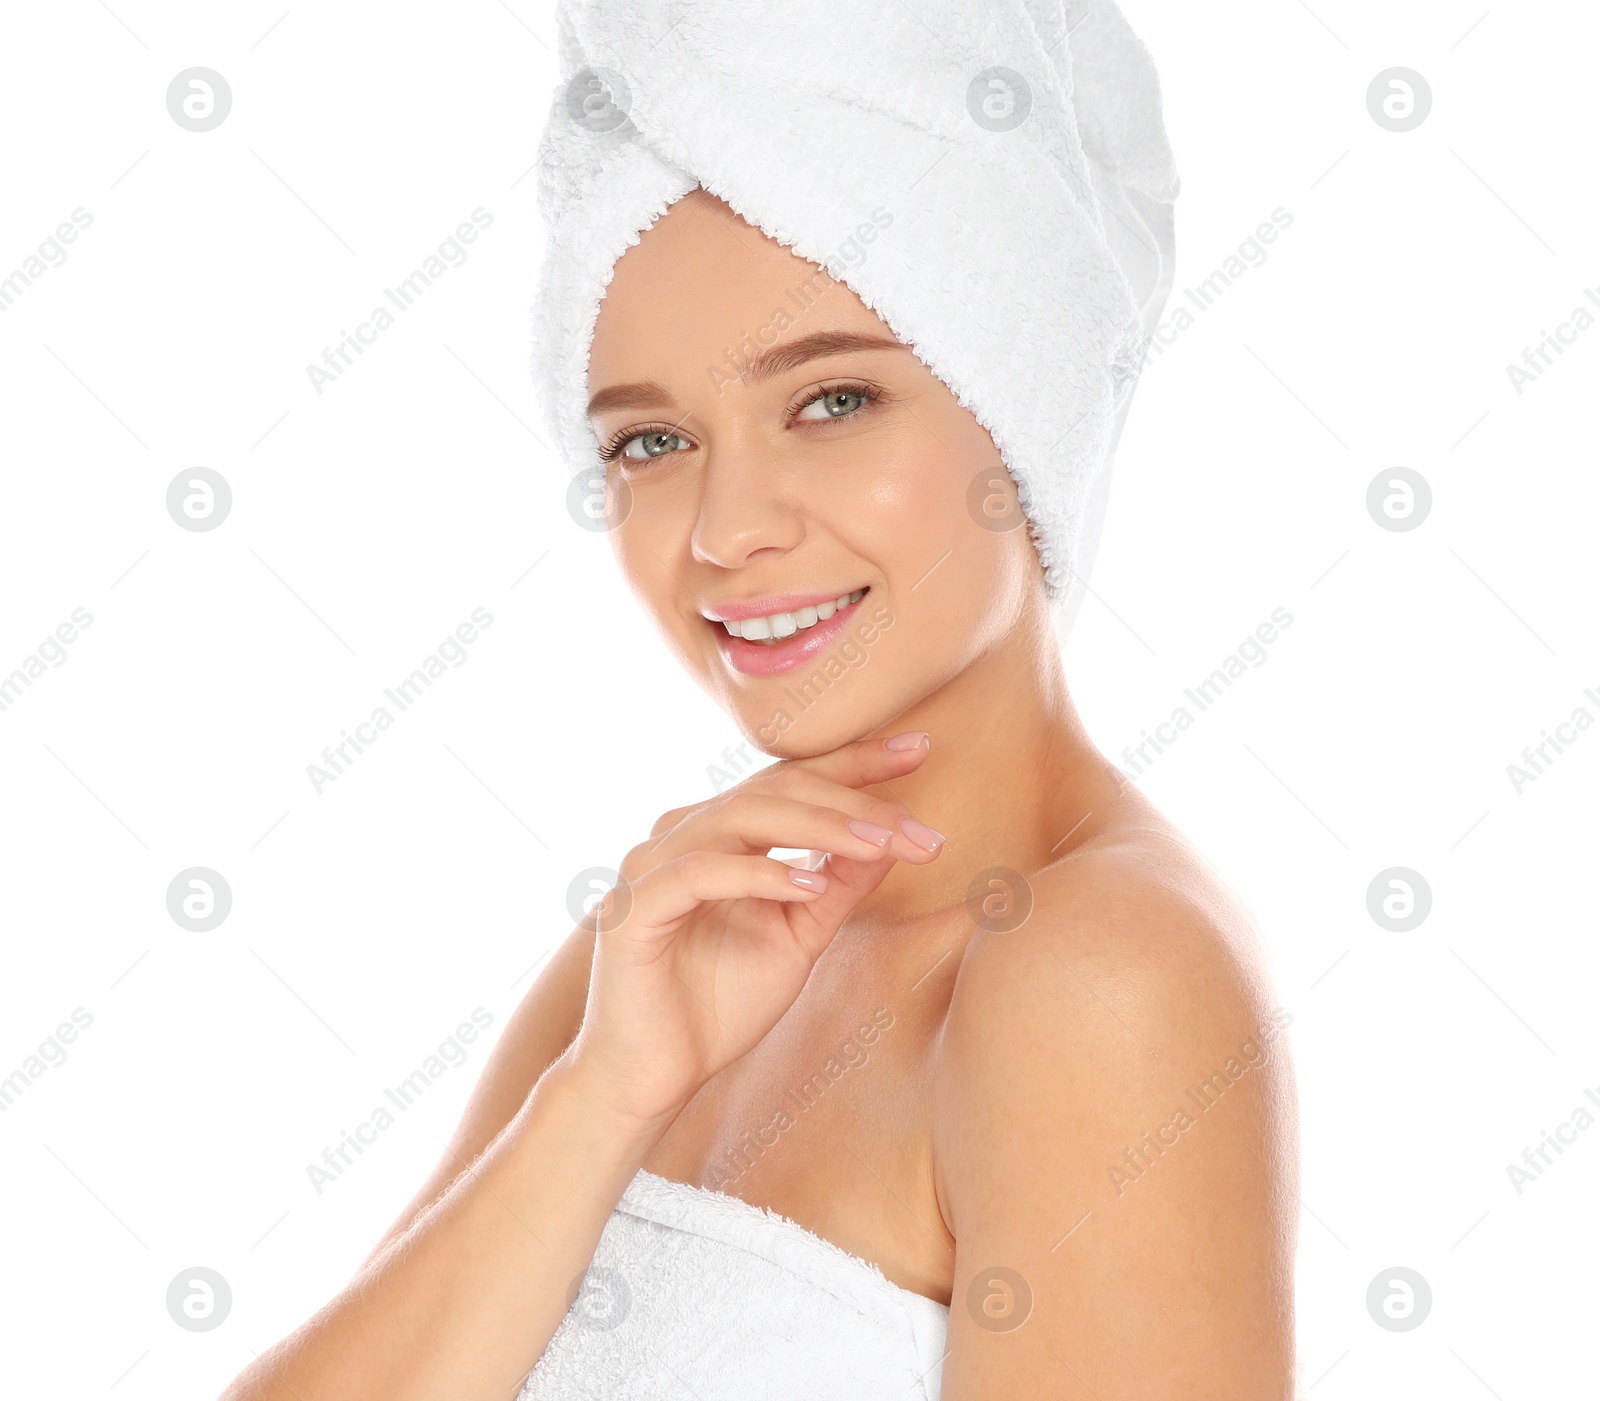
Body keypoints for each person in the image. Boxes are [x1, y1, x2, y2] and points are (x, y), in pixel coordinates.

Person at [222, 2, 1298, 1397]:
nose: (725, 527)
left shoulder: (1093, 976)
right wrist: (599, 1098)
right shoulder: (663, 955)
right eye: (653, 440)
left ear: (1018, 403)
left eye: (832, 401)